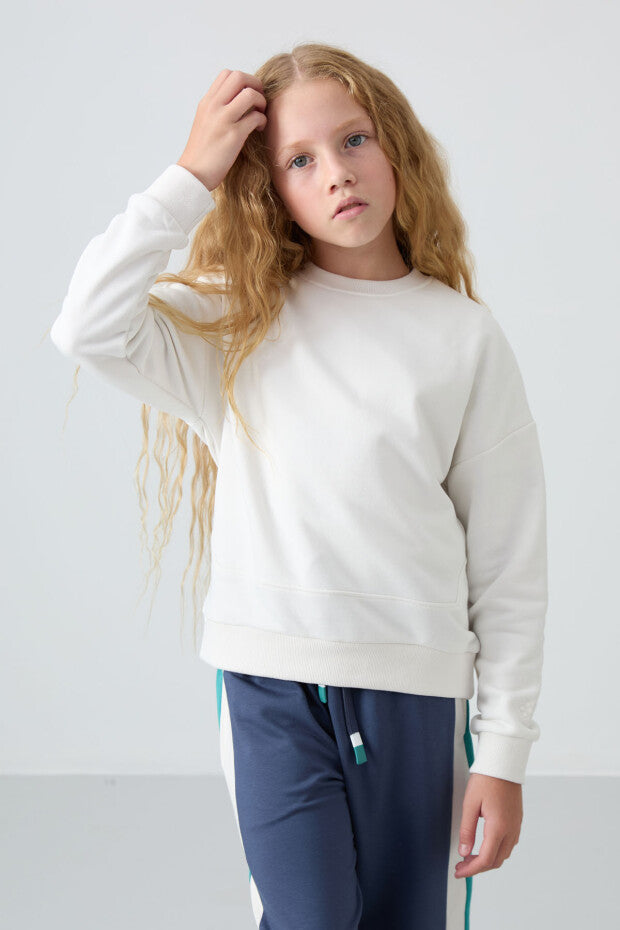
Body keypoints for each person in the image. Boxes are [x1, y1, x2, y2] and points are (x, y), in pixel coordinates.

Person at [49, 42, 548, 930]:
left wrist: (502, 755)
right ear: (269, 189)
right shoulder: (237, 321)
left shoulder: (463, 339)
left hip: (418, 693)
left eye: (354, 140)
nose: (337, 174)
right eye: (299, 161)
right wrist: (189, 176)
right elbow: (86, 326)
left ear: (395, 146)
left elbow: (509, 565)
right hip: (270, 685)